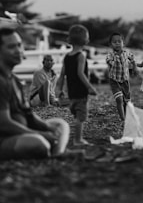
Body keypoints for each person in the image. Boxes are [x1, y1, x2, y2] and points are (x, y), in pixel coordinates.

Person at [0, 28, 70, 160]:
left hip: (22, 130)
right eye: (11, 47)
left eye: (19, 45)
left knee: (60, 125)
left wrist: (47, 127)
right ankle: (52, 152)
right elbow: (3, 124)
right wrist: (39, 133)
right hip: (4, 138)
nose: (18, 50)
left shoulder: (14, 79)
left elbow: (28, 114)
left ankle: (57, 155)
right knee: (38, 143)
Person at [57, 24, 98, 146]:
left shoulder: (67, 56)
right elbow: (80, 73)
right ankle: (78, 140)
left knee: (76, 115)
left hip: (72, 92)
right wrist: (90, 87)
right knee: (81, 117)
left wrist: (59, 89)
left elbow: (62, 74)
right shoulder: (81, 55)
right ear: (84, 40)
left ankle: (76, 138)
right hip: (80, 92)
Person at [106, 32, 138, 121]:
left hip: (125, 81)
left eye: (119, 41)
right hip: (114, 80)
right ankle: (122, 119)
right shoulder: (110, 55)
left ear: (123, 43)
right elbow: (109, 62)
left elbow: (132, 59)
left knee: (127, 101)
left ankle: (127, 115)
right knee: (119, 99)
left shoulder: (126, 53)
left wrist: (134, 68)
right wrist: (116, 58)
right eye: (114, 42)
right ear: (111, 44)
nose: (117, 44)